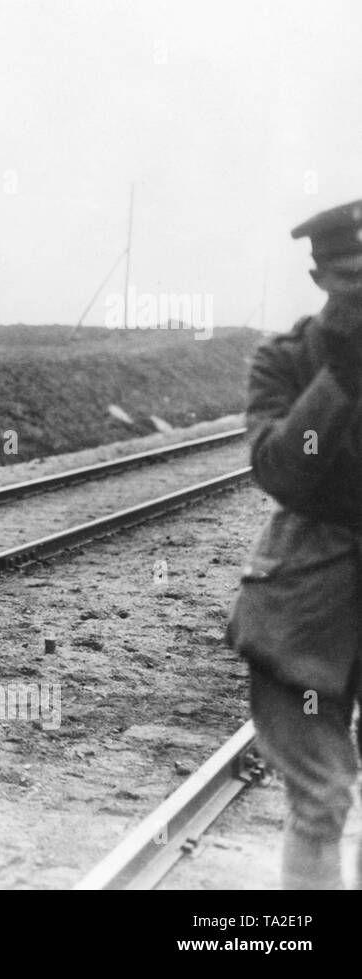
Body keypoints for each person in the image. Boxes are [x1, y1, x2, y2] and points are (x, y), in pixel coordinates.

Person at [228, 197, 362, 889]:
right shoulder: (284, 360)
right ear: (320, 280)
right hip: (304, 597)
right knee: (320, 798)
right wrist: (338, 377)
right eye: (352, 281)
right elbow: (281, 471)